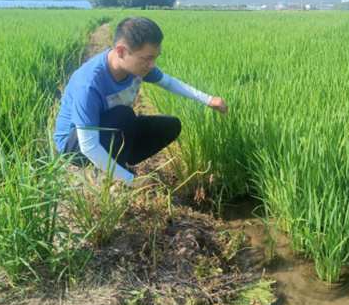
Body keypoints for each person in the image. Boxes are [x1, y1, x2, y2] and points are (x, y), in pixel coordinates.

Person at [53, 16, 228, 187]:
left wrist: (208, 99)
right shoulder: (89, 84)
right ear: (121, 51)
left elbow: (168, 82)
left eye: (155, 57)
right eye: (147, 58)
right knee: (124, 115)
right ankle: (113, 179)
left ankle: (117, 167)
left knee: (170, 126)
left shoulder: (137, 67)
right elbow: (89, 145)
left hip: (106, 130)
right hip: (75, 145)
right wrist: (131, 180)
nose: (152, 64)